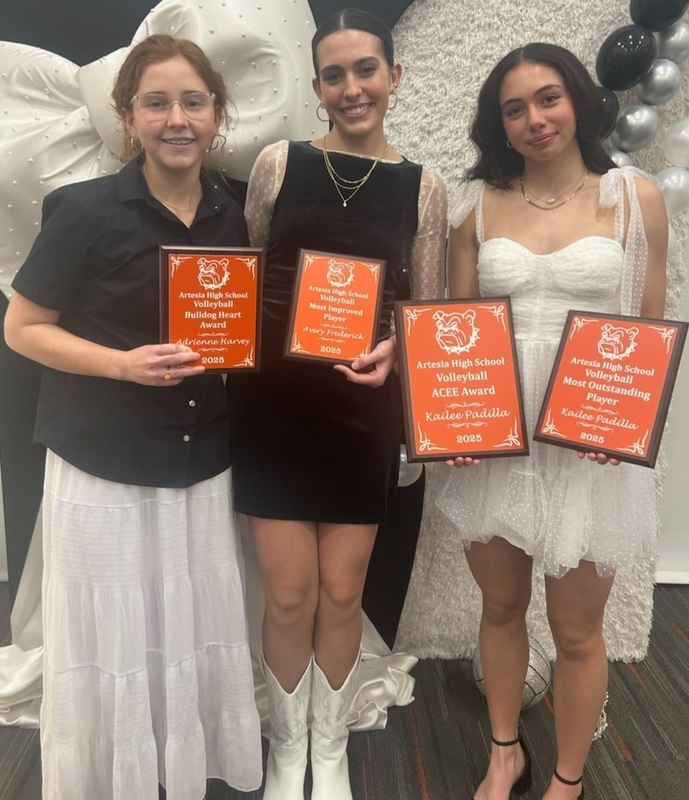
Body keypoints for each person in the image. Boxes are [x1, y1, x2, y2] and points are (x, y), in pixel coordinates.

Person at [4, 34, 262, 800]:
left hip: (198, 457)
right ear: (127, 116)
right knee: (115, 622)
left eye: (192, 101)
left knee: (183, 616)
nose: (176, 119)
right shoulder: (84, 210)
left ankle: (182, 766)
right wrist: (122, 364)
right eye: (156, 102)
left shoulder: (236, 212)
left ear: (217, 114)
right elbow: (21, 328)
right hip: (102, 456)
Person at [436, 43, 668, 800]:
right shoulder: (472, 204)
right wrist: (458, 420)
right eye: (513, 108)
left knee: (575, 631)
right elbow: (458, 325)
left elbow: (646, 324)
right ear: (497, 124)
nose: (533, 118)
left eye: (547, 98)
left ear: (577, 102)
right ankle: (504, 752)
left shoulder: (634, 197)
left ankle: (566, 781)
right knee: (499, 606)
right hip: (498, 437)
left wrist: (625, 420)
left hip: (587, 441)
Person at [227, 7, 447, 799]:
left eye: (365, 70)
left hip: (362, 415)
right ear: (317, 87)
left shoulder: (425, 188)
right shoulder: (277, 164)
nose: (351, 88)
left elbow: (425, 311)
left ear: (393, 76)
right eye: (333, 74)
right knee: (288, 595)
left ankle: (328, 751)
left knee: (345, 591)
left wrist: (398, 344)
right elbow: (248, 275)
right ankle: (289, 752)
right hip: (274, 411)